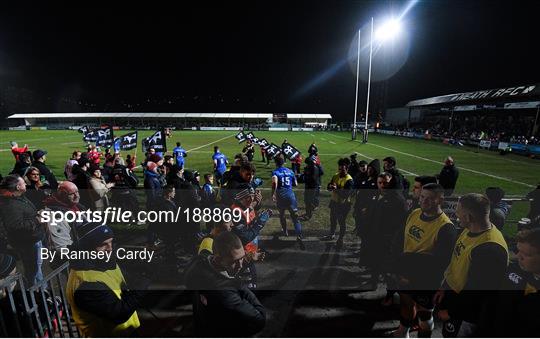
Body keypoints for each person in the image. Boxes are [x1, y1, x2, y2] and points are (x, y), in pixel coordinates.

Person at [433, 193, 509, 337]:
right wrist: (445, 286)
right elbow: (457, 261)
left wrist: (451, 312)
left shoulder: (490, 249)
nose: (456, 216)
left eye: (458, 212)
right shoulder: (470, 229)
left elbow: (477, 293)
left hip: (467, 313)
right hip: (454, 296)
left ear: (469, 217)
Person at [393, 183, 456, 338]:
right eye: (422, 197)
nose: (423, 201)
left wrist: (410, 275)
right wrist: (397, 267)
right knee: (406, 304)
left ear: (440, 201)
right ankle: (404, 331)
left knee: (424, 315)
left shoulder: (446, 227)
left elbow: (438, 264)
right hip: (404, 272)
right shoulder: (414, 213)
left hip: (425, 280)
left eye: (430, 199)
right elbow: (399, 239)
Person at [184, 232, 266, 337]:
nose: (240, 265)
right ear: (218, 259)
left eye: (242, 258)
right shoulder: (225, 292)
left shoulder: (198, 262)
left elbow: (224, 266)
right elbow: (259, 320)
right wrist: (238, 283)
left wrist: (245, 259)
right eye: (236, 261)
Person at [66, 222, 140, 337]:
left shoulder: (103, 262)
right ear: (88, 248)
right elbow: (119, 314)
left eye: (111, 242)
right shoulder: (86, 283)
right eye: (103, 244)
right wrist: (141, 286)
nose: (110, 249)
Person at [478, 228, 540, 337]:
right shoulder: (513, 268)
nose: (518, 257)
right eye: (518, 251)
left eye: (527, 255)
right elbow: (492, 301)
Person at [362, 172, 408, 287]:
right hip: (374, 235)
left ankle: (387, 291)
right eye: (380, 183)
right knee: (374, 260)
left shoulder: (398, 199)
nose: (382, 185)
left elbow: (400, 222)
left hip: (387, 239)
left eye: (385, 183)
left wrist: (391, 237)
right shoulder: (377, 194)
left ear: (391, 182)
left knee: (386, 265)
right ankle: (374, 279)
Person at [0, 175, 45, 286]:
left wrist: (37, 214)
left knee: (36, 267)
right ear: (18, 187)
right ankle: (39, 292)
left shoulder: (18, 197)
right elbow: (15, 225)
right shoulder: (10, 204)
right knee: (34, 270)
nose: (25, 184)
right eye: (23, 183)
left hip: (32, 239)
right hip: (28, 243)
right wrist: (37, 220)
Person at [42, 182, 87, 262]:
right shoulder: (56, 215)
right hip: (71, 260)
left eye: (77, 192)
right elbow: (62, 247)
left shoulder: (75, 206)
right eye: (71, 194)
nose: (76, 196)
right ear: (62, 196)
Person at [271, 156, 304, 248]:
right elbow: (296, 184)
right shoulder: (290, 171)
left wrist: (273, 194)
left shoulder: (275, 172)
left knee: (281, 214)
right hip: (290, 196)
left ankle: (285, 231)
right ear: (284, 162)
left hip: (280, 196)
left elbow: (274, 183)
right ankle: (299, 235)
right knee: (295, 217)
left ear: (276, 163)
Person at [321, 158, 354, 248]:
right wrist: (330, 186)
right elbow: (329, 186)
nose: (340, 170)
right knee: (332, 219)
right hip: (334, 202)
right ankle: (331, 234)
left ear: (347, 168)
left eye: (342, 169)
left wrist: (336, 189)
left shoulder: (349, 180)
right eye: (339, 168)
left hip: (344, 205)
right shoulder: (336, 175)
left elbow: (346, 195)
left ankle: (341, 239)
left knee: (341, 222)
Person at [300, 155, 324, 221]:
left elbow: (312, 179)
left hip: (312, 188)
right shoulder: (309, 168)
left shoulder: (314, 168)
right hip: (308, 187)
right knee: (306, 200)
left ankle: (308, 215)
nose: (307, 164)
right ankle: (309, 211)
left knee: (308, 201)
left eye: (308, 163)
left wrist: (305, 177)